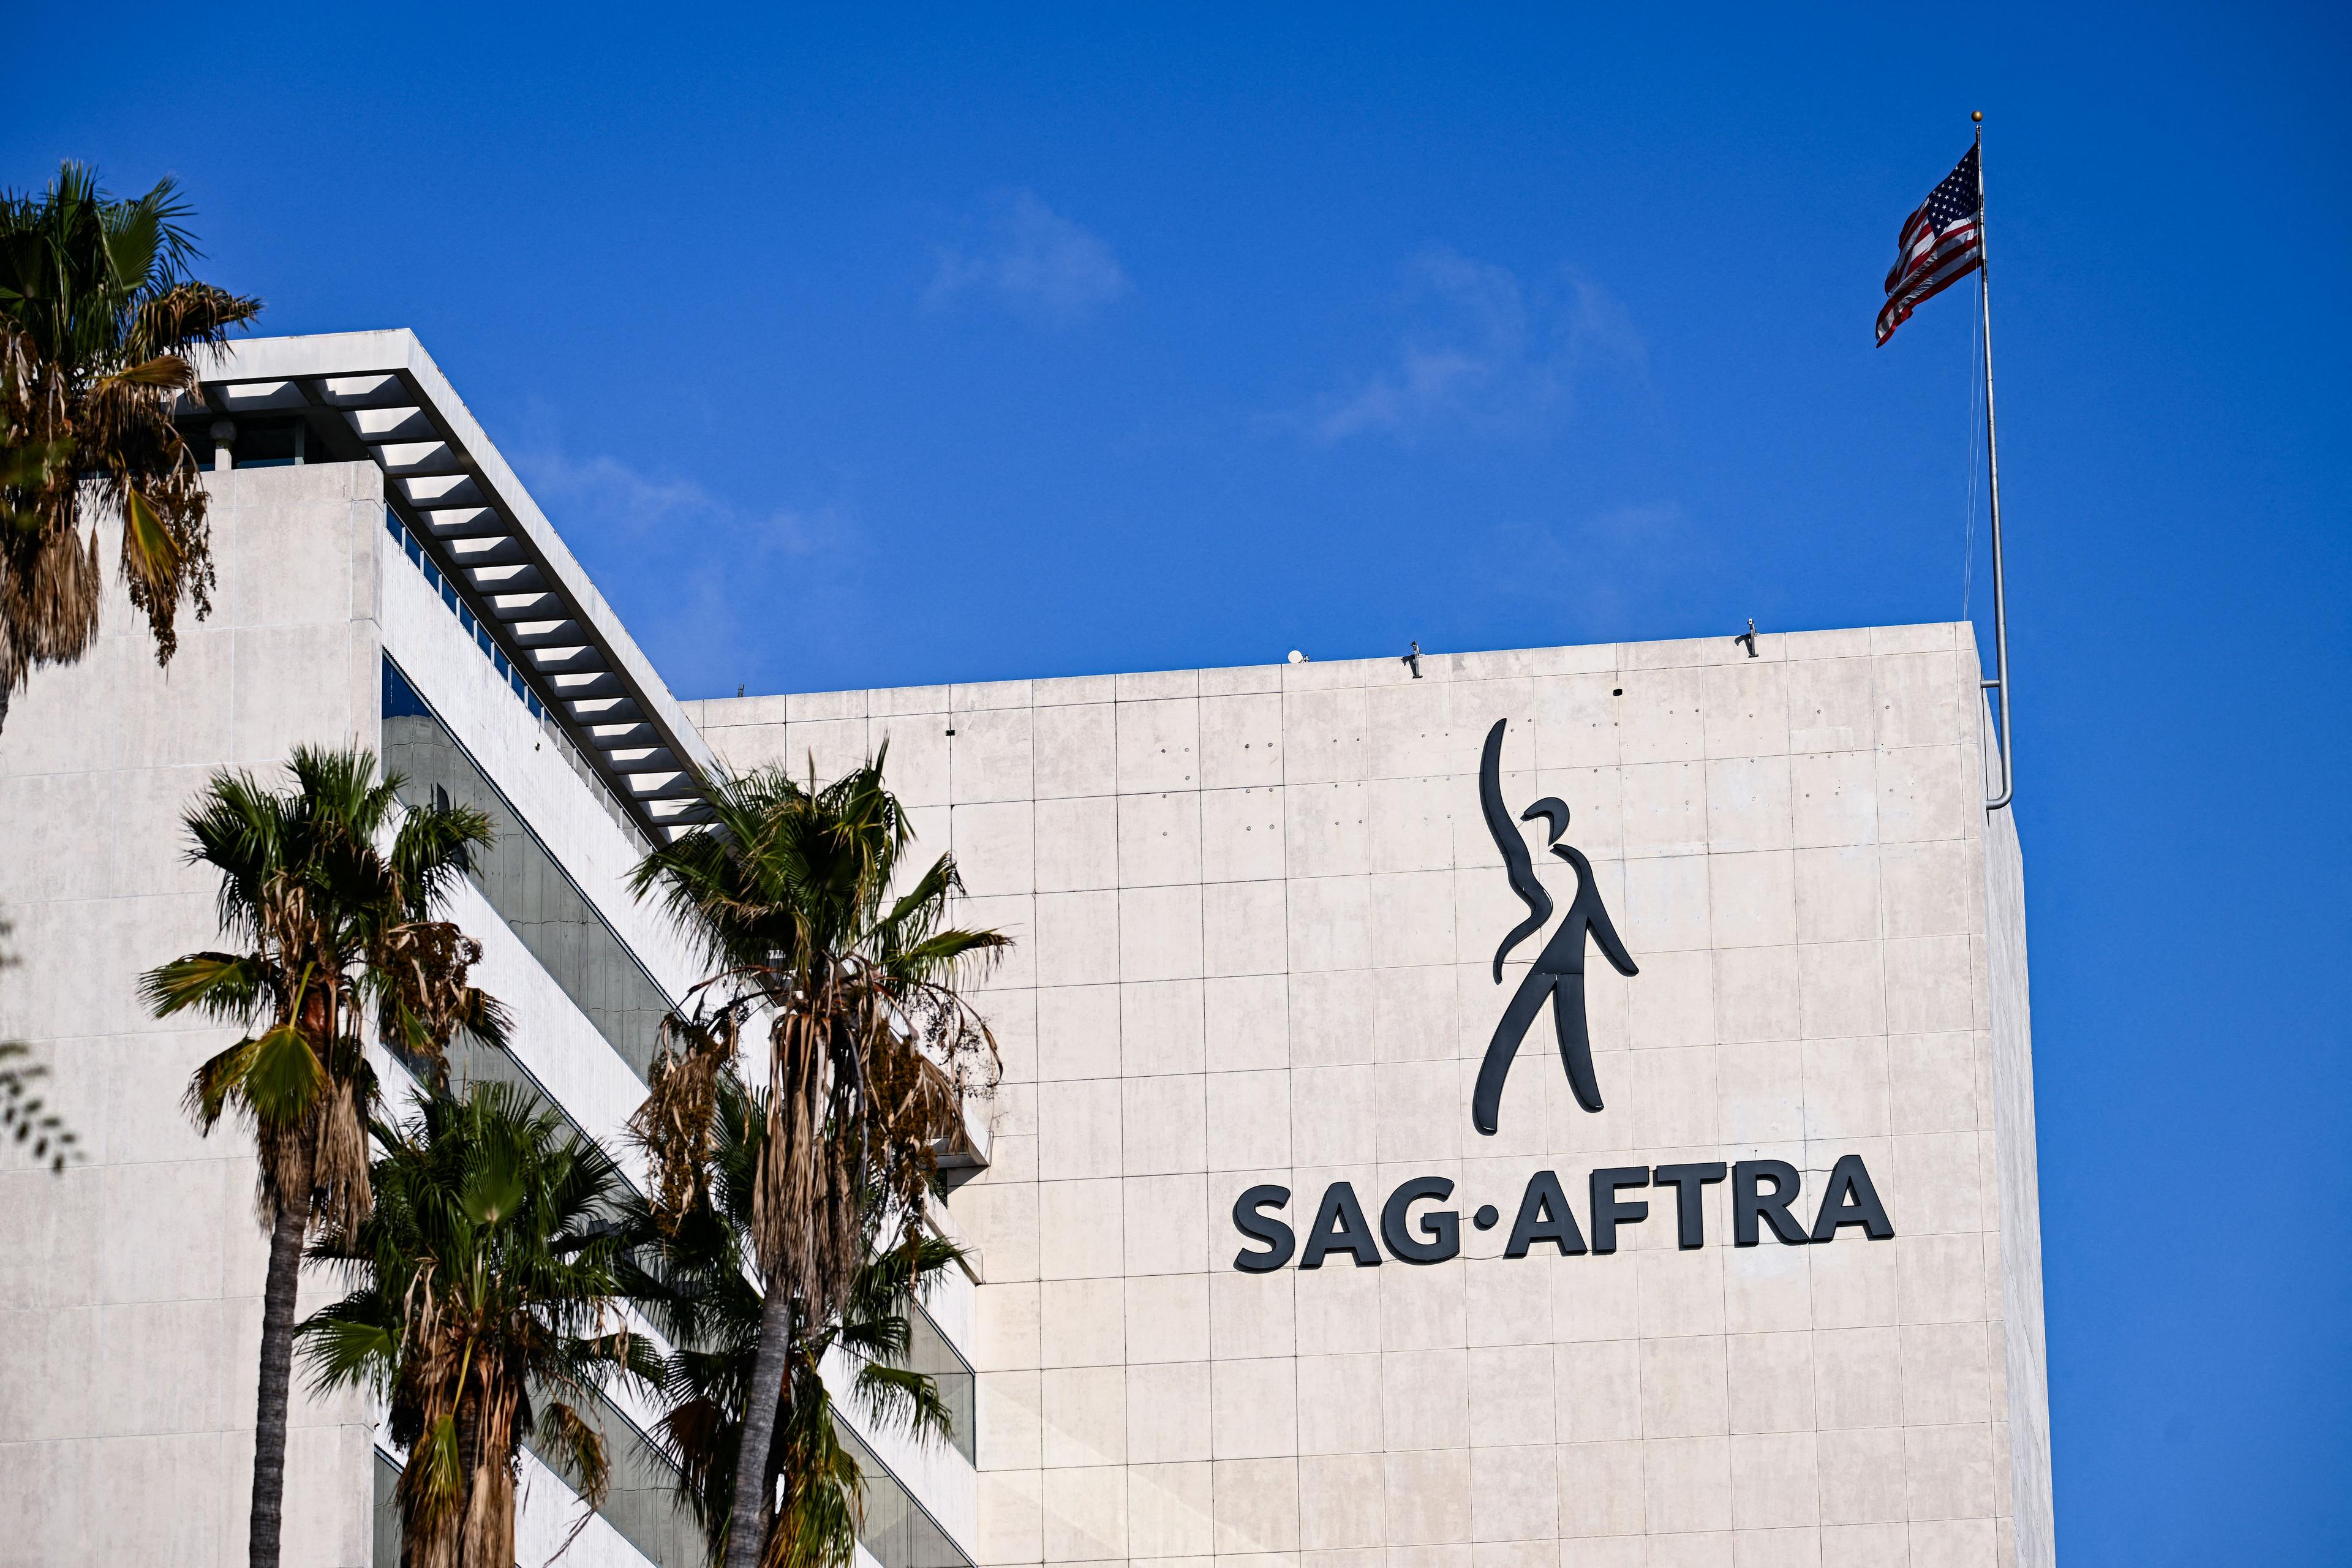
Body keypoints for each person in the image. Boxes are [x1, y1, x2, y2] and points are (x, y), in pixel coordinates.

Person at [1472, 719, 1639, 1135]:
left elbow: (1598, 920)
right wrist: (1506, 951)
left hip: (1562, 965)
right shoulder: (1565, 872)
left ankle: (1587, 1102)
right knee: (1522, 1038)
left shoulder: (1574, 868)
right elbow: (1593, 922)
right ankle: (1491, 1114)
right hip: (1553, 964)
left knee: (1550, 1038)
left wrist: (1625, 961)